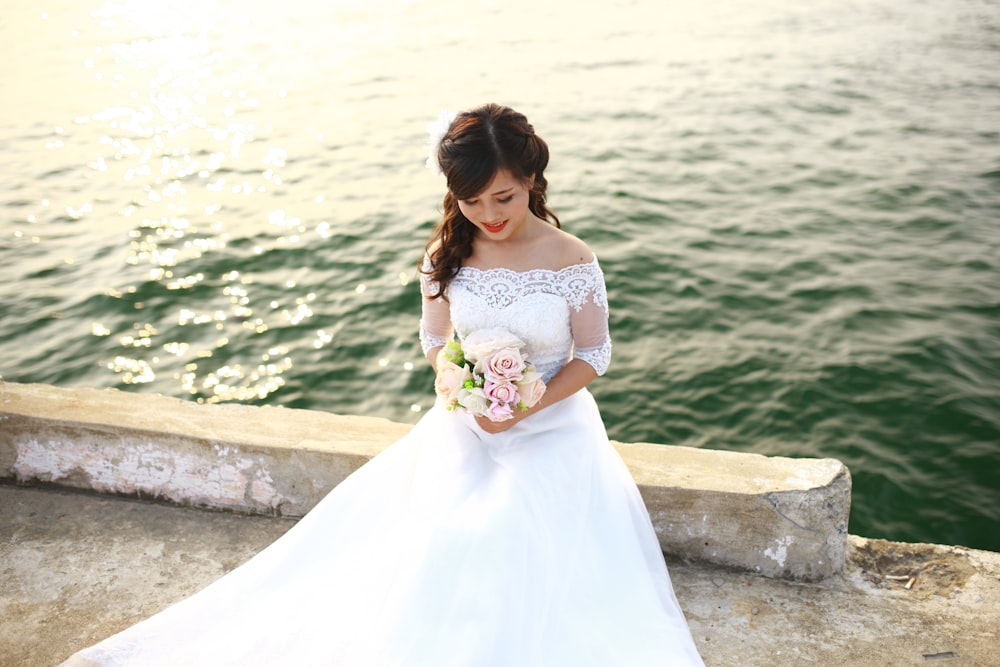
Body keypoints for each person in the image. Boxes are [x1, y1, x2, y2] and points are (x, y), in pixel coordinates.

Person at [61, 103, 705, 666]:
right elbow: (433, 340)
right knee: (434, 539)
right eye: (470, 200)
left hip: (551, 426)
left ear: (532, 179)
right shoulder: (447, 254)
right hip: (465, 423)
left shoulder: (572, 258)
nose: (487, 215)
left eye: (502, 198)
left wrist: (524, 400)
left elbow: (593, 354)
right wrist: (463, 386)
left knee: (504, 531)